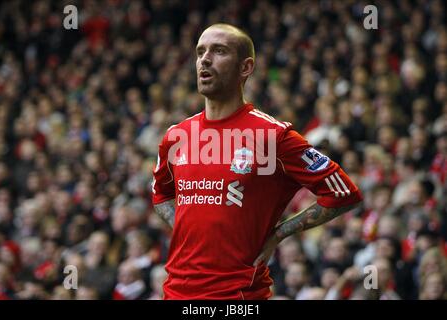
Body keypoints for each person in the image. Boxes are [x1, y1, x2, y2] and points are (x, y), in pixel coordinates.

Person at [152, 23, 363, 299]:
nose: (204, 59)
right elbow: (161, 194)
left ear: (245, 67)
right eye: (200, 52)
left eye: (219, 51)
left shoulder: (272, 136)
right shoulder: (176, 136)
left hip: (238, 295)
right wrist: (189, 229)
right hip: (176, 292)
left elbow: (342, 193)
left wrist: (279, 234)